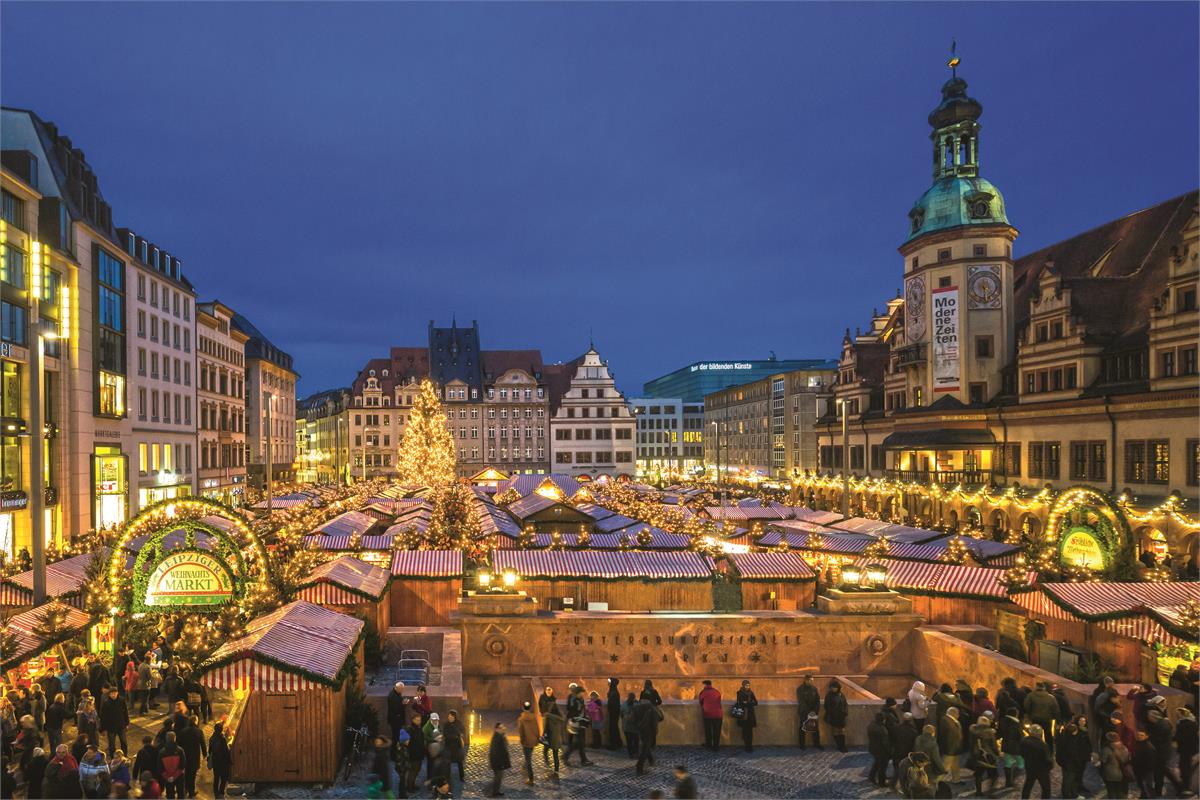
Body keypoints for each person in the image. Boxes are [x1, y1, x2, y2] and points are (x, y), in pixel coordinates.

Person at [1145, 696, 1181, 797]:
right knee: (1163, 770)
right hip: (1165, 751)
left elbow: (1158, 739)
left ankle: (1159, 791)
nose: (1148, 718)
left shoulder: (1160, 726)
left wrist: (1150, 738)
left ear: (1153, 718)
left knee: (1159, 772)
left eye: (1150, 717)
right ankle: (1175, 786)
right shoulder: (1164, 722)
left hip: (1161, 752)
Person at [1055, 715, 1091, 800]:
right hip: (1070, 763)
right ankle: (1071, 795)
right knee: (1070, 779)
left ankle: (1067, 793)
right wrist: (1077, 762)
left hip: (1065, 762)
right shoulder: (1070, 741)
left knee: (1067, 779)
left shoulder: (1063, 737)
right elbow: (1073, 753)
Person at [1023, 683, 1059, 754]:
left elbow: (1026, 707)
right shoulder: (1050, 697)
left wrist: (1029, 715)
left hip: (1035, 719)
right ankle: (1050, 751)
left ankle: (1035, 750)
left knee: (1035, 735)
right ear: (1044, 688)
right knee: (1048, 735)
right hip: (1047, 719)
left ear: (1036, 687)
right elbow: (1055, 709)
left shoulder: (1030, 696)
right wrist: (1056, 718)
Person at [970, 715, 1000, 797]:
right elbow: (994, 746)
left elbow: (970, 744)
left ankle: (978, 792)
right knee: (994, 775)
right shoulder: (990, 733)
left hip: (977, 756)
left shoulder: (973, 731)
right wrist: (997, 754)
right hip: (989, 756)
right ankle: (990, 793)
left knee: (979, 774)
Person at [176, 715, 206, 798]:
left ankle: (185, 789)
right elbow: (203, 744)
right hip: (194, 757)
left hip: (184, 756)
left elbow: (178, 743)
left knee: (185, 773)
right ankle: (191, 792)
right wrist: (205, 754)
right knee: (192, 775)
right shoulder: (199, 731)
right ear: (195, 722)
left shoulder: (182, 732)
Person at [1019, 723, 1051, 799]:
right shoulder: (1043, 745)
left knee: (1028, 785)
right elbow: (1046, 759)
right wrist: (1050, 766)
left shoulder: (1024, 741)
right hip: (1042, 769)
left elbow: (1022, 753)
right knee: (1046, 788)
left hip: (1029, 766)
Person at [564, 684, 591, 766]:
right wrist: (583, 719)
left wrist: (585, 717)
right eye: (582, 692)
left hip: (581, 723)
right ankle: (567, 756)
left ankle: (583, 759)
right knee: (579, 743)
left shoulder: (580, 700)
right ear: (578, 693)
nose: (583, 694)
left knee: (581, 743)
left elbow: (582, 711)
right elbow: (573, 715)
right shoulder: (574, 701)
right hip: (577, 724)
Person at [1100, 730, 1132, 800]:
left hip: (1110, 774)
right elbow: (1127, 759)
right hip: (1122, 774)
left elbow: (1103, 761)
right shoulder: (1124, 747)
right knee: (1121, 792)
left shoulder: (1106, 749)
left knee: (1111, 792)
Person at [99, 687, 129, 758]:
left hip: (121, 725)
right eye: (112, 693)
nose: (113, 695)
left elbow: (125, 712)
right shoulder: (106, 703)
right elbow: (103, 717)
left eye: (115, 693)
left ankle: (125, 756)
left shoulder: (122, 700)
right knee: (112, 744)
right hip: (111, 727)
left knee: (124, 742)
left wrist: (127, 723)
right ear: (109, 694)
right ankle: (113, 757)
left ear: (117, 693)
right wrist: (102, 729)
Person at [633, 694, 659, 776]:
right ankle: (639, 766)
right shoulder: (651, 708)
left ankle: (651, 760)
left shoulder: (637, 707)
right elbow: (656, 721)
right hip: (649, 731)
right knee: (645, 748)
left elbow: (632, 719)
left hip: (640, 730)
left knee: (645, 746)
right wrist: (655, 732)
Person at [998, 709, 1024, 789]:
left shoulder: (1003, 721)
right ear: (1015, 714)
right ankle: (1012, 780)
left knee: (1008, 763)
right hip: (1015, 747)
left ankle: (1008, 782)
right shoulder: (1016, 724)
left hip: (1006, 745)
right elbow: (1019, 736)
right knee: (1021, 764)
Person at [1174, 706, 1197, 796]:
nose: (1177, 715)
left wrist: (1172, 738)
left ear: (1182, 714)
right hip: (1191, 748)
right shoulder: (1193, 722)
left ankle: (1186, 787)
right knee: (1186, 765)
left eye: (1178, 714)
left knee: (1184, 767)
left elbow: (1179, 736)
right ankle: (1186, 785)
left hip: (1185, 749)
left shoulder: (1182, 724)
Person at [892, 712, 919, 788]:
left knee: (897, 769)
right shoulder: (913, 731)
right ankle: (905, 785)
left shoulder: (897, 728)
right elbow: (914, 744)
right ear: (911, 720)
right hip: (907, 752)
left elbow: (893, 739)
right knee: (907, 770)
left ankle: (894, 784)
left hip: (897, 751)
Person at [157, 731, 186, 800]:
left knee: (170, 795)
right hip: (179, 776)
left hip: (168, 778)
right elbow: (183, 765)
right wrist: (175, 776)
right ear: (175, 738)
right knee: (181, 794)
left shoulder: (162, 752)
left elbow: (160, 767)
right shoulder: (180, 750)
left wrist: (168, 777)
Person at [516, 701, 540, 786]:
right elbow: (537, 728)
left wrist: (522, 740)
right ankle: (524, 766)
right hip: (533, 740)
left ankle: (531, 779)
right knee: (528, 756)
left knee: (528, 760)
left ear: (523, 708)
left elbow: (521, 731)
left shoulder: (521, 719)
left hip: (526, 741)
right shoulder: (534, 717)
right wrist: (537, 738)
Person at [938, 706, 963, 784]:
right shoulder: (945, 721)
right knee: (945, 766)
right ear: (953, 713)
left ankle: (956, 779)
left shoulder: (949, 720)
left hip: (955, 747)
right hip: (950, 748)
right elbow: (942, 736)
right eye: (957, 714)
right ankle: (938, 782)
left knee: (955, 765)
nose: (958, 715)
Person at [867, 712, 892, 788]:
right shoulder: (882, 730)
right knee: (883, 766)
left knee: (877, 763)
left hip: (873, 748)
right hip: (881, 750)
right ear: (883, 720)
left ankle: (872, 776)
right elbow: (885, 743)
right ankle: (882, 782)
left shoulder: (871, 725)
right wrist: (890, 751)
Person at [824, 678, 849, 753]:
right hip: (834, 717)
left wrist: (845, 712)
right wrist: (833, 713)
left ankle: (843, 746)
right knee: (835, 731)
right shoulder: (829, 695)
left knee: (842, 731)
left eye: (834, 687)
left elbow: (845, 704)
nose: (833, 689)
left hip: (841, 717)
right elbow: (827, 706)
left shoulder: (841, 695)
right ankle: (839, 746)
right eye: (832, 687)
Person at [797, 675, 821, 749]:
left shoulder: (814, 689)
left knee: (815, 729)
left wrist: (815, 711)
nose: (811, 682)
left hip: (813, 712)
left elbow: (817, 700)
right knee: (802, 729)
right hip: (804, 712)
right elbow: (801, 701)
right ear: (805, 680)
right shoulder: (800, 689)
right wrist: (808, 712)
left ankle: (817, 744)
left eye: (812, 680)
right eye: (810, 680)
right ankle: (802, 745)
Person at [209, 721, 232, 799]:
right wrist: (230, 761)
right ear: (221, 730)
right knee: (224, 777)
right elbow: (226, 751)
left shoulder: (211, 738)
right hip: (223, 762)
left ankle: (215, 792)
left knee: (216, 777)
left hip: (215, 761)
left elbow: (210, 751)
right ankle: (221, 791)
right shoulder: (222, 739)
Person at [698, 680, 722, 751]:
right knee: (717, 731)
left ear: (705, 685)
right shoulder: (717, 692)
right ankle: (716, 747)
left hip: (708, 714)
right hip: (718, 714)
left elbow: (701, 702)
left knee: (708, 730)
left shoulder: (703, 692)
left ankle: (709, 744)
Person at [442, 710, 466, 784]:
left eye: (451, 717)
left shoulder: (459, 723)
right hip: (448, 746)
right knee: (447, 763)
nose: (450, 718)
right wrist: (456, 736)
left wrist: (461, 735)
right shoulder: (446, 725)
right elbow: (445, 734)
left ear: (455, 717)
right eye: (449, 716)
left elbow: (463, 731)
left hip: (457, 746)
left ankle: (462, 777)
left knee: (460, 762)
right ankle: (447, 778)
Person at [735, 679, 759, 753]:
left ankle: (750, 746)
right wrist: (748, 703)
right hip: (743, 715)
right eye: (746, 685)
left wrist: (748, 703)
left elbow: (756, 702)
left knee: (750, 732)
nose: (747, 686)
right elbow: (740, 703)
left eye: (748, 685)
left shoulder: (751, 693)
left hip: (750, 715)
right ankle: (747, 746)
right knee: (745, 731)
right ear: (743, 685)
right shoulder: (739, 693)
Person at [488, 722, 510, 798]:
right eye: (501, 728)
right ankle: (495, 792)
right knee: (498, 777)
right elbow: (495, 751)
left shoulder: (500, 736)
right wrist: (498, 762)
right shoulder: (496, 737)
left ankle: (496, 791)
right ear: (497, 729)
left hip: (499, 761)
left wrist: (504, 737)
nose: (503, 729)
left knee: (499, 777)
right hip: (497, 761)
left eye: (503, 727)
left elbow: (506, 745)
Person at [403, 715, 425, 792]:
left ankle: (412, 784)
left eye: (419, 720)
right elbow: (406, 743)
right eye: (416, 720)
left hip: (419, 753)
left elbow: (421, 740)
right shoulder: (410, 729)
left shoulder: (419, 729)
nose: (418, 721)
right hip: (413, 754)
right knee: (412, 771)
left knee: (417, 770)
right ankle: (409, 787)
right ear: (413, 720)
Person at [542, 703, 565, 775]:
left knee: (545, 751)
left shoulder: (548, 717)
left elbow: (546, 728)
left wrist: (543, 735)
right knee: (555, 755)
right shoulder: (560, 718)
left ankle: (547, 762)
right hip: (557, 739)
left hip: (550, 738)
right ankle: (556, 770)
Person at [621, 692, 639, 760]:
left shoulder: (624, 704)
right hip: (635, 727)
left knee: (629, 741)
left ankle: (631, 754)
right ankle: (636, 753)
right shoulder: (637, 704)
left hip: (627, 726)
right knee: (636, 741)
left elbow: (621, 714)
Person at [606, 678, 622, 751]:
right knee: (614, 727)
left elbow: (612, 704)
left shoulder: (614, 692)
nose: (608, 683)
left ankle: (614, 745)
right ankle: (618, 743)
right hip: (614, 712)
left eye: (609, 682)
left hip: (613, 713)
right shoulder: (613, 691)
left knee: (613, 728)